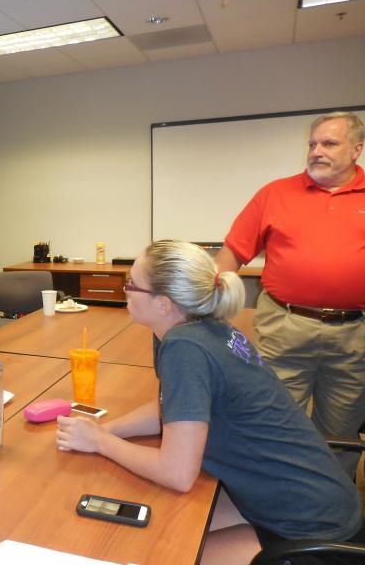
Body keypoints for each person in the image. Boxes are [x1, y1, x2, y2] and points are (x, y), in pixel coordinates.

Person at [56, 240, 364, 565]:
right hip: (301, 500)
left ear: (164, 303)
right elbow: (174, 408)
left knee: (158, 552)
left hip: (314, 535)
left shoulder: (185, 348)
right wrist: (107, 430)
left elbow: (177, 473)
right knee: (161, 527)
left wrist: (101, 443)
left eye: (132, 283)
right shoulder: (199, 328)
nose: (125, 288)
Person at [215, 111, 365, 478]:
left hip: (353, 334)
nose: (316, 151)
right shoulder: (275, 193)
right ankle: (278, 504)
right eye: (312, 144)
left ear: (356, 150)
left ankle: (335, 506)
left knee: (340, 431)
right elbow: (233, 252)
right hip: (284, 326)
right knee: (274, 422)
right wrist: (205, 300)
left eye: (329, 143)